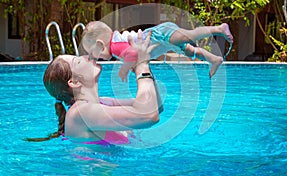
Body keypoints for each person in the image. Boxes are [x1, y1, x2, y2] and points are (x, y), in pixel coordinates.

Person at [26, 31, 163, 145]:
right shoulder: (80, 112)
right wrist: (142, 66)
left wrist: (143, 68)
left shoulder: (102, 103)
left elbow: (156, 107)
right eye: (78, 61)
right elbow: (149, 116)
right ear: (74, 82)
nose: (86, 56)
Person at [81, 21, 233, 81]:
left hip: (160, 34)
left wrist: (124, 70)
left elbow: (134, 55)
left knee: (189, 36)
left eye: (95, 54)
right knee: (190, 51)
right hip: (163, 42)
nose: (97, 58)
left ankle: (218, 28)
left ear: (100, 45)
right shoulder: (116, 43)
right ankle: (214, 59)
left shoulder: (114, 46)